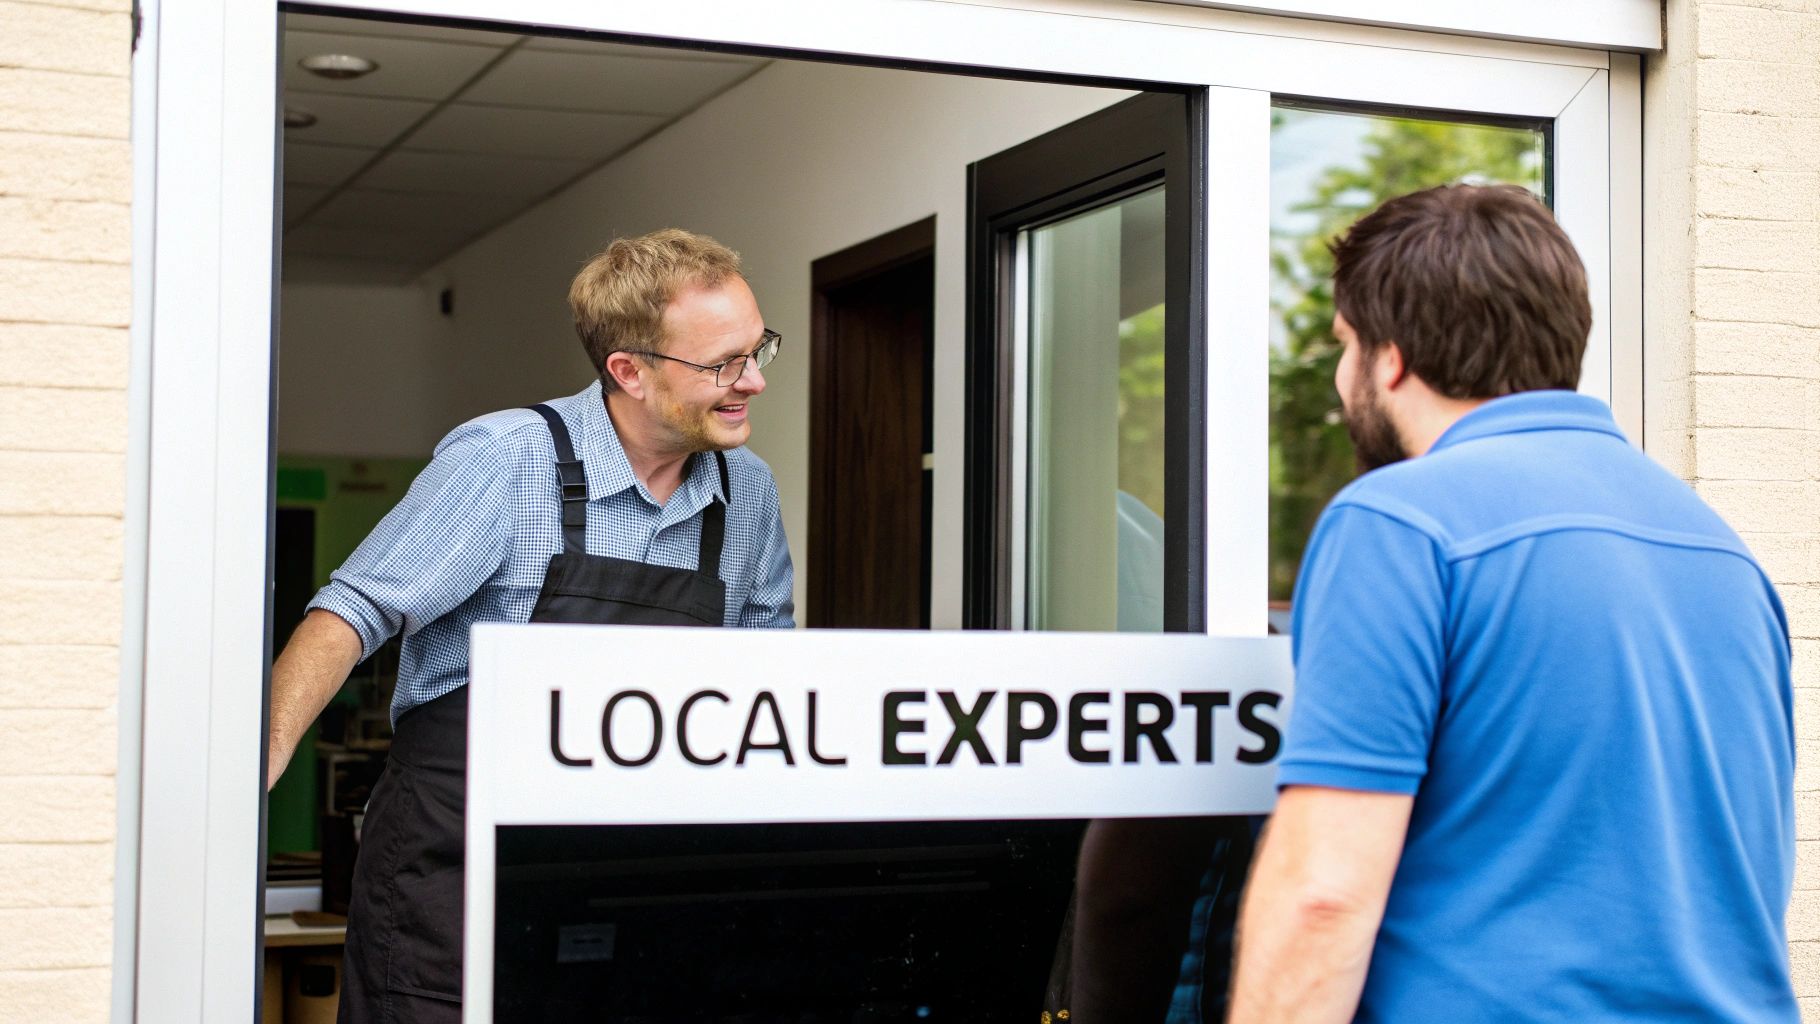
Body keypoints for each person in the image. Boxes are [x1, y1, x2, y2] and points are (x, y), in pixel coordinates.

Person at [1229, 185, 1796, 1023]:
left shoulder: (1400, 522)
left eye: (1345, 347)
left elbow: (1324, 895)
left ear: (1391, 357)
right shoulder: (1722, 550)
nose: (1341, 379)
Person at [265, 229, 795, 1024]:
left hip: (636, 879)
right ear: (630, 371)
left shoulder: (746, 492)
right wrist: (251, 771)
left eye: (757, 350)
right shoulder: (506, 461)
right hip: (455, 873)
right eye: (722, 363)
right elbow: (354, 611)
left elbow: (770, 676)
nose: (752, 381)